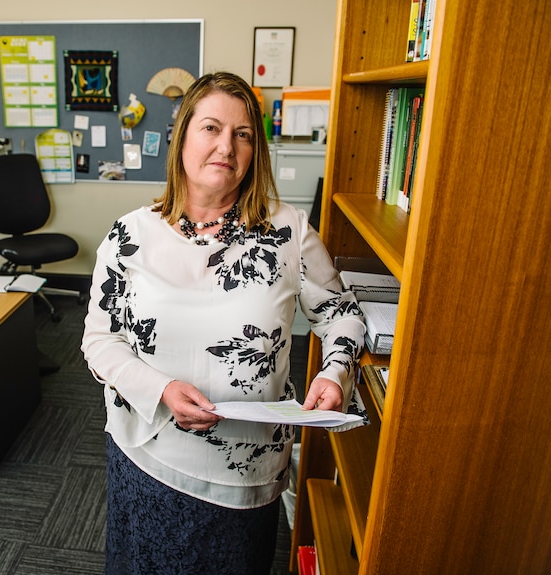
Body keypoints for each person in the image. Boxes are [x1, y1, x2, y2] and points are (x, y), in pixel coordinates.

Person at [81, 71, 365, 574]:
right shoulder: (131, 234)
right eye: (211, 128)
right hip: (148, 456)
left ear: (256, 150)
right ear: (182, 137)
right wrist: (162, 388)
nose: (226, 147)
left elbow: (341, 312)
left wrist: (335, 370)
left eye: (243, 134)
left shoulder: (288, 231)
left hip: (245, 471)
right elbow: (100, 340)